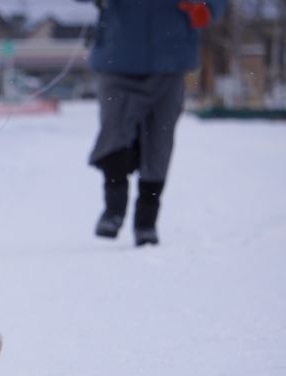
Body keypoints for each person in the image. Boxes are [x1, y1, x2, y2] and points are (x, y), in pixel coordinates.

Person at [76, 0, 226, 245]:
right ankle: (113, 209)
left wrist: (208, 8)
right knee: (113, 136)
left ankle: (147, 220)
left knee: (159, 143)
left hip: (171, 60)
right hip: (117, 58)